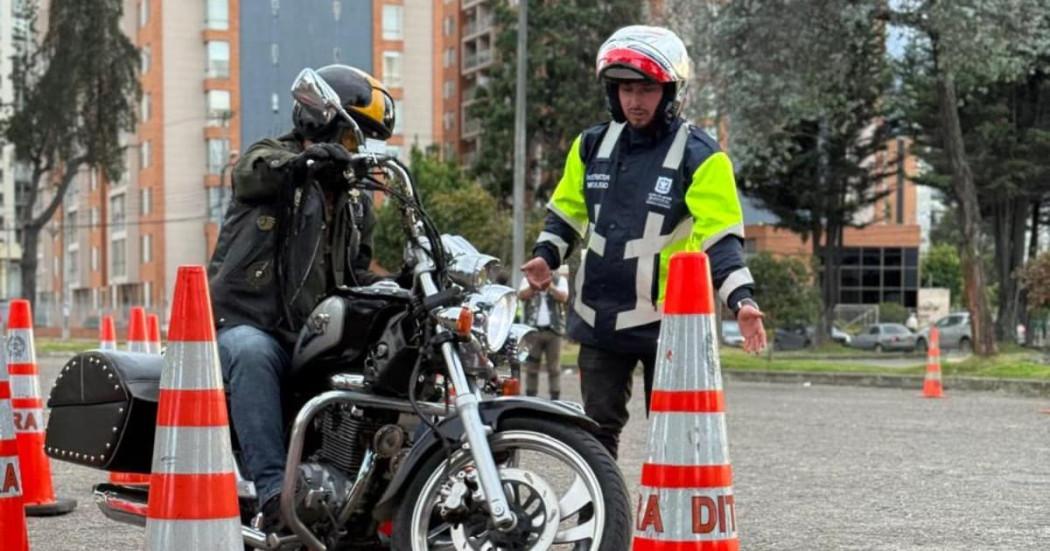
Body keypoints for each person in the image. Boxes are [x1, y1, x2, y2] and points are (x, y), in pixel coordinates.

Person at [521, 26, 767, 458]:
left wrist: (741, 300)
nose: (634, 101)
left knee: (675, 436)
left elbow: (721, 236)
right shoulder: (590, 145)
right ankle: (602, 519)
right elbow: (566, 212)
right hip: (599, 317)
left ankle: (669, 524)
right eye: (624, 89)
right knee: (595, 436)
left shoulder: (702, 156)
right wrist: (545, 256)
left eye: (646, 89)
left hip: (668, 324)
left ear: (672, 91)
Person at [207, 64, 395, 529]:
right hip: (246, 322)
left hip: (306, 330)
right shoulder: (275, 160)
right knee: (253, 354)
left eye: (361, 143)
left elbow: (355, 273)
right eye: (352, 139)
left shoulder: (354, 204)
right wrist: (306, 164)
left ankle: (362, 493)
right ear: (321, 122)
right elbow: (251, 174)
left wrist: (400, 284)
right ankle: (274, 495)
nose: (355, 153)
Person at [518, 264, 570, 400]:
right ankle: (531, 396)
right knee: (531, 367)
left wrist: (550, 286)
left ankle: (555, 397)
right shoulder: (528, 280)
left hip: (554, 331)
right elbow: (522, 295)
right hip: (533, 331)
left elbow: (563, 297)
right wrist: (534, 286)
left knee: (554, 368)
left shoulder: (560, 280)